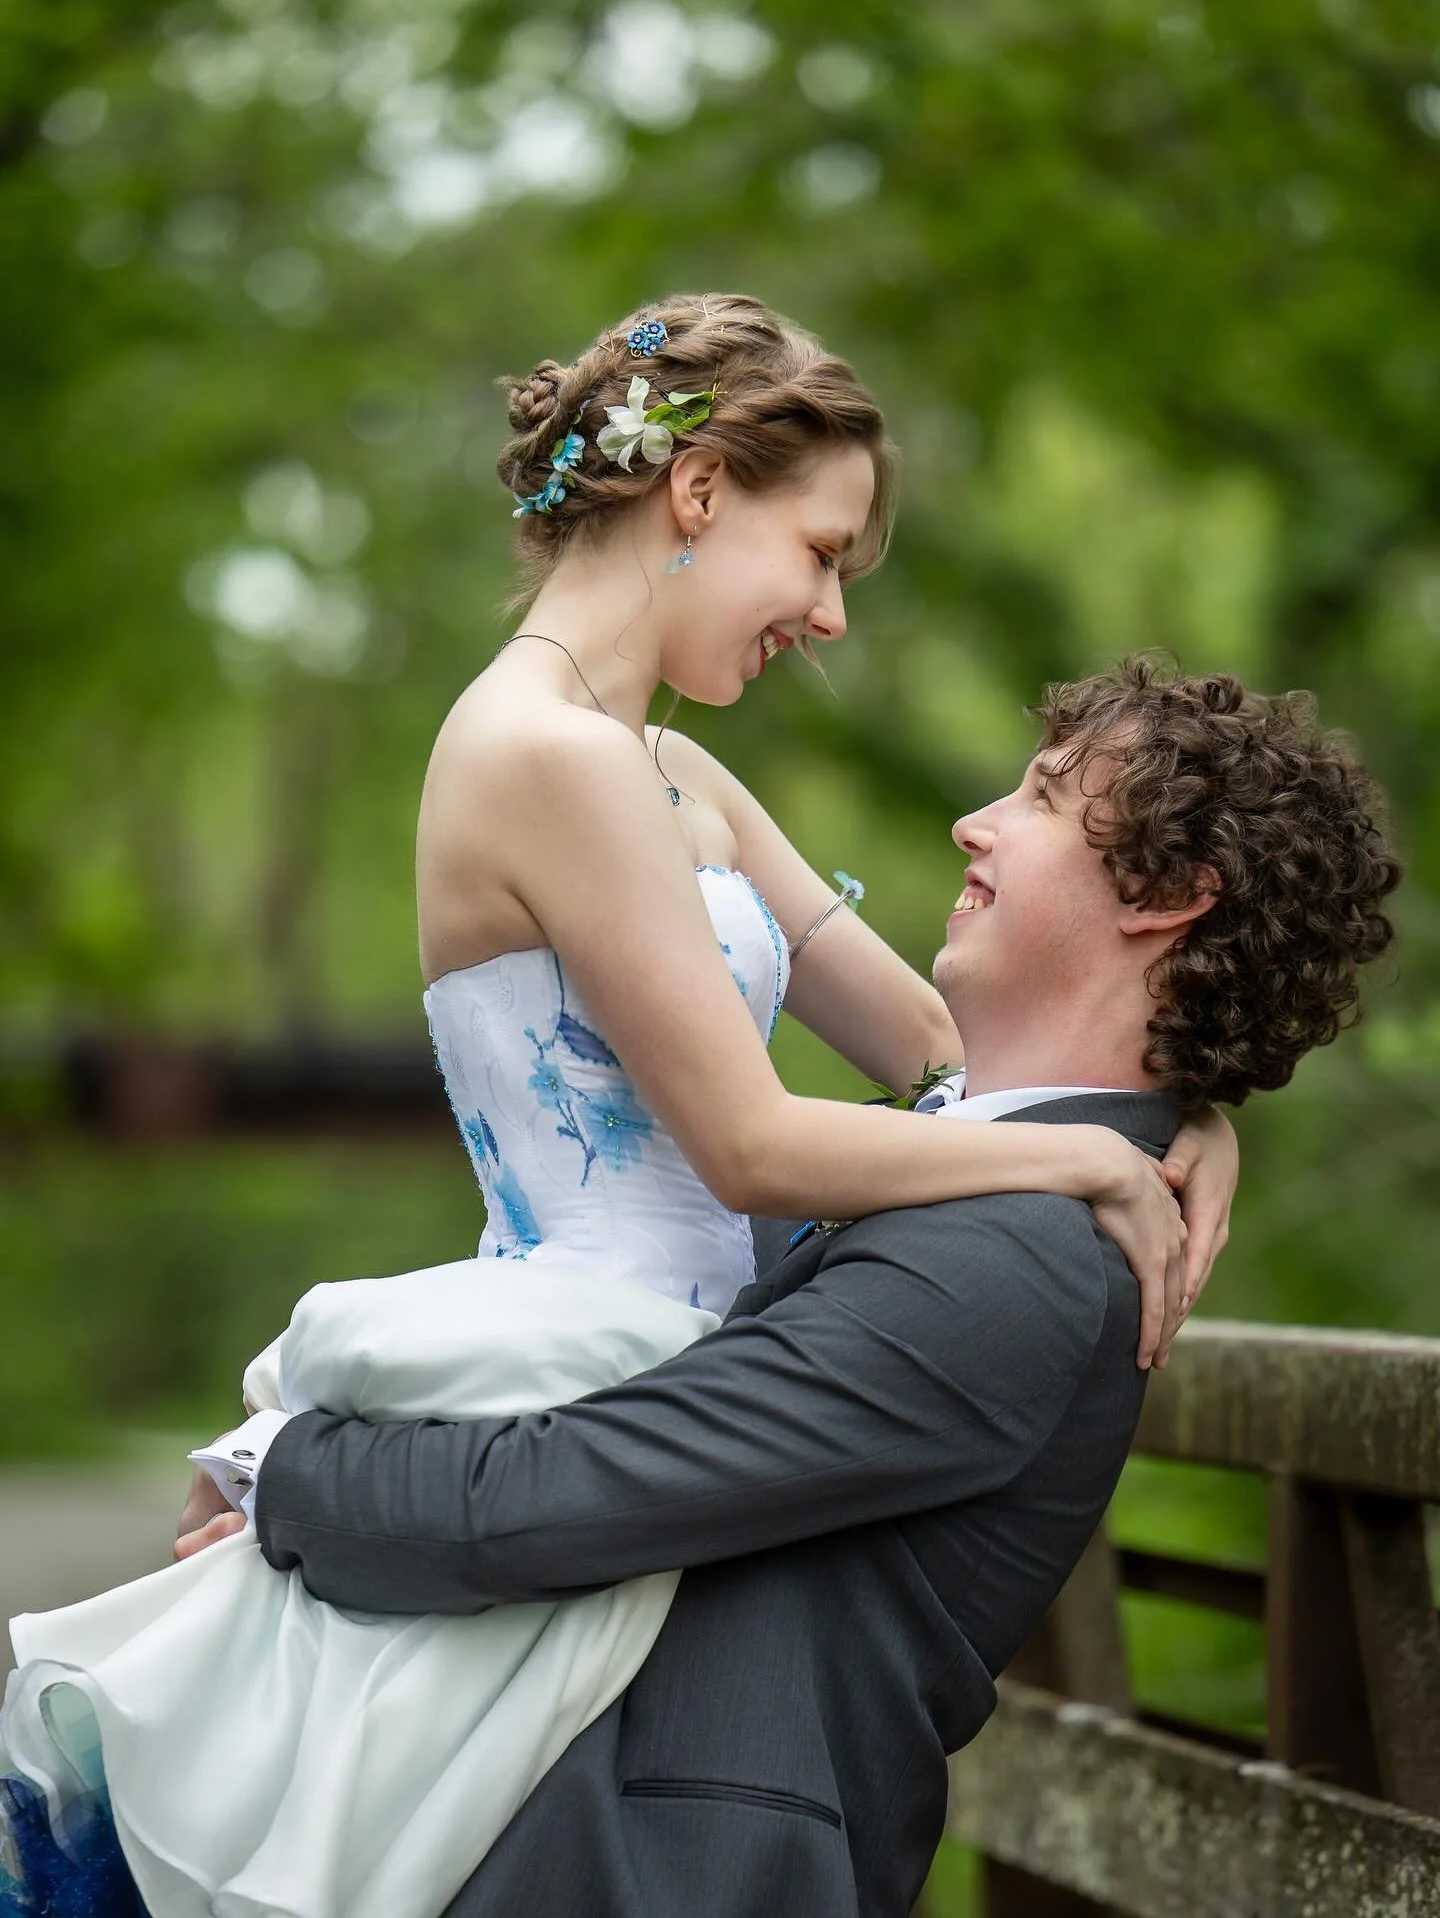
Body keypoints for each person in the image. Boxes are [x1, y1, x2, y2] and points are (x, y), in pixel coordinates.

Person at [0, 300, 1231, 1918]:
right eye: (826, 550)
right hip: (579, 1359)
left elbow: (937, 1044)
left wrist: (1182, 1118)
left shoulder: (681, 776)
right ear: (704, 489)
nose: (834, 612)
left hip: (704, 1376)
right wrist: (1087, 1161)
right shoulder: (540, 758)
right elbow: (750, 1146)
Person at [195, 657, 1399, 1918]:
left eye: (1043, 796)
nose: (975, 821)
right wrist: (1185, 1116)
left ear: (1166, 897)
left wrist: (278, 1472)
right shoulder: (999, 1185)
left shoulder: (1015, 1263)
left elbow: (547, 1498)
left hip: (661, 1873)